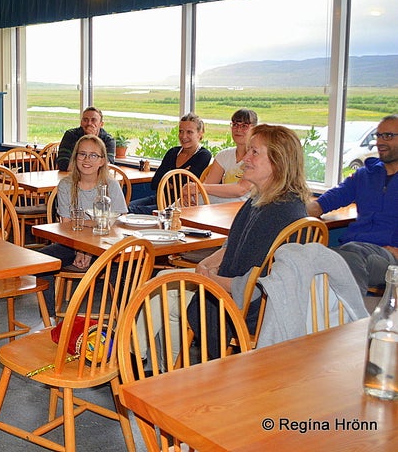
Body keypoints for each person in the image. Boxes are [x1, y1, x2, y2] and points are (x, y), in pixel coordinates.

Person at [137, 124, 311, 366]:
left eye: (254, 153)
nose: (244, 159)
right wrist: (208, 264)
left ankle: (138, 359)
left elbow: (255, 284)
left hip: (251, 308)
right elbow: (231, 246)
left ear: (278, 162)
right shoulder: (260, 199)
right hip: (235, 288)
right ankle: (165, 367)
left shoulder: (282, 214)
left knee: (160, 289)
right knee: (163, 281)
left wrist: (210, 280)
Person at [37, 134, 128, 324]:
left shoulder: (110, 185)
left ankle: (125, 321)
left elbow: (118, 222)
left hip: (105, 245)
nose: (87, 160)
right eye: (82, 154)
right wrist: (82, 247)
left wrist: (87, 240)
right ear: (75, 157)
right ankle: (49, 320)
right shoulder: (66, 185)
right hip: (72, 244)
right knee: (41, 262)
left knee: (121, 266)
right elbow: (67, 225)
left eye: (93, 156)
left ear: (102, 160)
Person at [307, 114, 398, 300]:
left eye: (387, 136)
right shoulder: (364, 175)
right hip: (352, 248)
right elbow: (322, 204)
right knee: (305, 256)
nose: (380, 141)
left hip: (388, 258)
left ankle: (352, 322)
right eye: (378, 136)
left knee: (350, 256)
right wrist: (289, 210)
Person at [128, 112, 212, 215]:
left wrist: (169, 181)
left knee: (131, 211)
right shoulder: (173, 152)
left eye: (189, 132)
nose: (183, 136)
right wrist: (176, 179)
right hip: (159, 198)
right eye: (181, 131)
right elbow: (155, 183)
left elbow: (187, 185)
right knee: (125, 207)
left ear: (200, 133)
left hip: (177, 206)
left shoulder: (203, 155)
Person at [191, 108, 257, 204]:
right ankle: (167, 215)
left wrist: (197, 188)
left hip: (247, 206)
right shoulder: (223, 155)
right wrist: (192, 193)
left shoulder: (257, 158)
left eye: (244, 126)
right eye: (235, 125)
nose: (238, 130)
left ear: (255, 129)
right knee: (191, 199)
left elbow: (240, 190)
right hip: (223, 205)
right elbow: (208, 185)